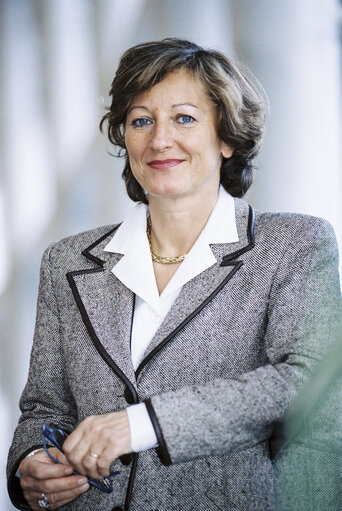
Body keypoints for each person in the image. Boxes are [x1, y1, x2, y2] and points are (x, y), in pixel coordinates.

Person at [7, 38, 342, 511]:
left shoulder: (294, 245)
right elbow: (45, 409)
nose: (159, 139)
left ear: (226, 138)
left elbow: (307, 383)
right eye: (141, 120)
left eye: (184, 117)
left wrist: (142, 424)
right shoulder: (67, 261)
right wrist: (31, 466)